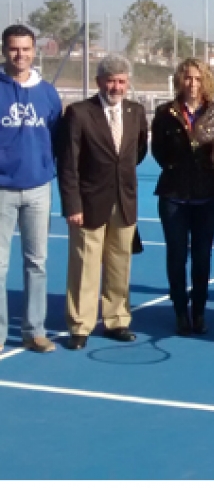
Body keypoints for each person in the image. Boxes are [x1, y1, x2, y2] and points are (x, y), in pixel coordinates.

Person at [57, 55, 148, 350]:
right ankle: (80, 325)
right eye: (110, 80)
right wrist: (73, 205)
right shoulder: (79, 113)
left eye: (121, 81)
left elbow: (138, 152)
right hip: (89, 202)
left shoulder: (136, 112)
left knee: (120, 264)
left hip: (124, 201)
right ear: (99, 82)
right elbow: (68, 164)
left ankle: (117, 320)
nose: (116, 86)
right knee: (84, 266)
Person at [150, 58, 214, 336]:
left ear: (205, 81)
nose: (192, 84)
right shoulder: (164, 113)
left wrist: (200, 174)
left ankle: (199, 312)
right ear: (179, 81)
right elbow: (158, 151)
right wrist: (178, 171)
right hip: (173, 195)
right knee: (176, 255)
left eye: (197, 78)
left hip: (207, 195)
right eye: (187, 78)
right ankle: (180, 311)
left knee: (202, 256)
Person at [0, 24, 61, 354]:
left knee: (36, 262)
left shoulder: (47, 93)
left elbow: (55, 136)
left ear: (34, 51)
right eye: (13, 48)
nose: (19, 54)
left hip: (38, 189)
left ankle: (34, 330)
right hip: (1, 190)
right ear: (4, 50)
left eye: (25, 48)